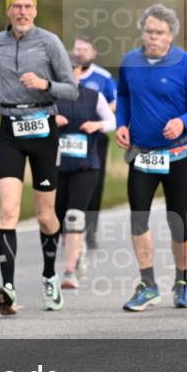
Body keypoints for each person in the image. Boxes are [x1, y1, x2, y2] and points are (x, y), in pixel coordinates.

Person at [0, 0, 78, 314]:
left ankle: (49, 277)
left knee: (46, 216)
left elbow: (72, 90)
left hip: (44, 126)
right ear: (8, 11)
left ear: (35, 11)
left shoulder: (49, 42)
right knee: (7, 211)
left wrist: (44, 85)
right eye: (16, 6)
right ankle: (9, 289)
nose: (22, 12)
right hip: (9, 129)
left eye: (28, 6)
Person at [115, 4, 187, 311]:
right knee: (138, 217)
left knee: (177, 219)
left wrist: (183, 121)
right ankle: (148, 284)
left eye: (159, 33)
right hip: (142, 153)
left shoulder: (184, 64)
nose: (153, 37)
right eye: (149, 31)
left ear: (171, 35)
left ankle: (182, 281)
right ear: (142, 32)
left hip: (178, 153)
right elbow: (124, 96)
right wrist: (121, 126)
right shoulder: (130, 61)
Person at [55, 51, 116, 289]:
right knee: (58, 218)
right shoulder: (50, 98)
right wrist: (51, 120)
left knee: (74, 215)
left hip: (86, 164)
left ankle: (69, 271)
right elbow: (37, 118)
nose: (67, 73)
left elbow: (113, 121)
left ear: (80, 71)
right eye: (62, 69)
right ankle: (77, 251)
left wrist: (97, 124)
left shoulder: (93, 96)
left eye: (71, 69)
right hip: (58, 166)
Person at [72, 36, 117, 252]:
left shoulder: (103, 77)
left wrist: (98, 118)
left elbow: (116, 103)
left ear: (93, 53)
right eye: (77, 49)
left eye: (84, 49)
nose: (80, 53)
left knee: (94, 184)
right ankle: (69, 228)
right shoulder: (65, 75)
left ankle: (91, 231)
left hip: (95, 138)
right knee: (66, 181)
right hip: (68, 138)